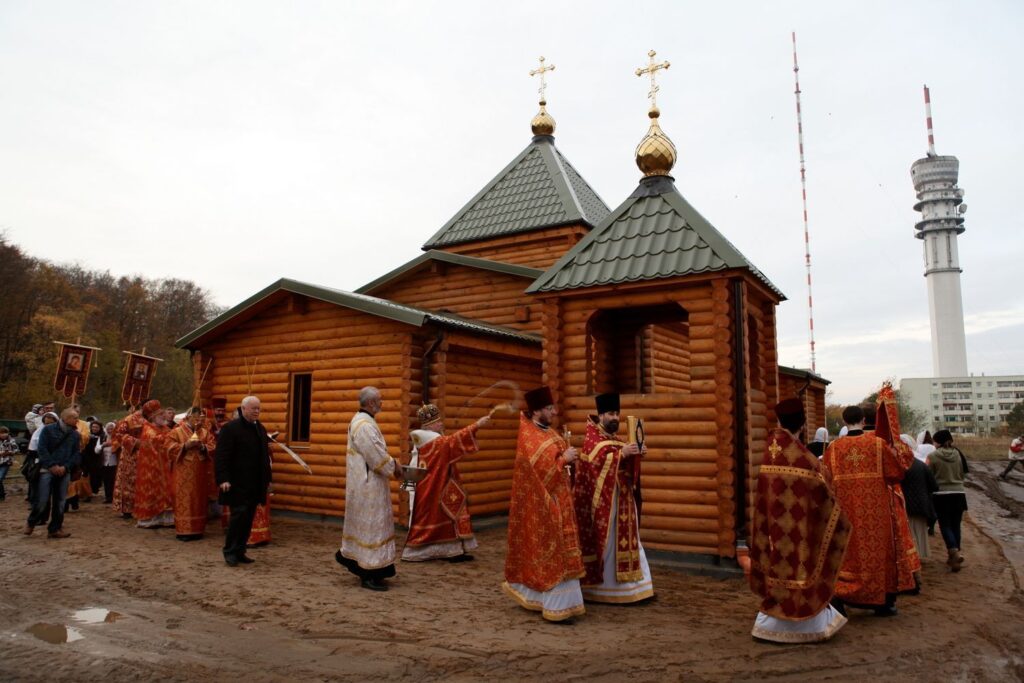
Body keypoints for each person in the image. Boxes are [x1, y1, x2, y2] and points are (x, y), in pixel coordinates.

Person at [749, 398, 850, 643]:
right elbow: (825, 490)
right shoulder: (805, 458)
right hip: (801, 529)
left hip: (773, 528)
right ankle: (807, 625)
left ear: (779, 421)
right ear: (803, 425)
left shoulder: (770, 452)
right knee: (802, 566)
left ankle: (768, 624)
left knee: (778, 565)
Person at [822, 404, 915, 617]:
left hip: (846, 513)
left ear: (844, 422)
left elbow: (826, 479)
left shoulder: (834, 448)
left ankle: (842, 596)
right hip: (876, 514)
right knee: (879, 554)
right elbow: (896, 474)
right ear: (863, 421)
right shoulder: (878, 444)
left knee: (849, 555)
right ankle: (883, 602)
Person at [503, 386, 586, 622]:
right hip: (542, 506)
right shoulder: (528, 437)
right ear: (537, 410)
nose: (554, 412)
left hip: (561, 501)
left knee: (564, 550)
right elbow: (538, 474)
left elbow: (559, 458)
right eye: (549, 408)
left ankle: (566, 603)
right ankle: (554, 607)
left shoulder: (550, 432)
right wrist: (563, 460)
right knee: (551, 552)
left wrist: (571, 459)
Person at [572, 392, 654, 604]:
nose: (615, 417)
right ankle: (608, 591)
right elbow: (595, 464)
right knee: (609, 545)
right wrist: (622, 454)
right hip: (606, 506)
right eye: (610, 413)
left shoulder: (614, 439)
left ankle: (639, 588)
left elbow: (624, 464)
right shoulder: (592, 440)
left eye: (617, 413)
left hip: (623, 499)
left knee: (632, 540)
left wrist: (636, 454)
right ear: (600, 415)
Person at [401, 403, 490, 562]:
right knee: (437, 516)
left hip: (440, 483)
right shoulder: (433, 442)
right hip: (432, 486)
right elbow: (452, 442)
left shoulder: (429, 441)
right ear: (429, 425)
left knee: (448, 514)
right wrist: (477, 425)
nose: (441, 424)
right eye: (437, 422)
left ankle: (453, 550)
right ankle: (423, 551)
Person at [335, 387, 402, 590]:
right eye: (379, 400)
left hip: (368, 483)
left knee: (371, 528)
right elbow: (376, 457)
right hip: (368, 486)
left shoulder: (363, 420)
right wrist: (394, 466)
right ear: (371, 403)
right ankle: (368, 574)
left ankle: (376, 571)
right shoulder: (364, 425)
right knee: (371, 529)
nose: (382, 403)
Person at [215, 396, 272, 567]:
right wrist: (223, 479)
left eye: (258, 408)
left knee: (248, 519)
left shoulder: (260, 429)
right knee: (238, 517)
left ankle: (240, 551)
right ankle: (230, 551)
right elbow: (221, 456)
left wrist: (267, 480)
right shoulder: (230, 428)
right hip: (236, 483)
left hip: (254, 484)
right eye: (253, 408)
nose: (257, 411)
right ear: (243, 409)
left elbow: (264, 458)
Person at [24, 408, 81, 538]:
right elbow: (42, 449)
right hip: (47, 470)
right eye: (74, 417)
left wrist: (65, 467)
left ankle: (55, 528)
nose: (77, 420)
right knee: (42, 500)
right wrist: (51, 465)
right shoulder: (48, 430)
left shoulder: (75, 435)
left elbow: (76, 454)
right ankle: (32, 521)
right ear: (65, 418)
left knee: (60, 501)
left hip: (64, 470)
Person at [165, 407, 217, 541]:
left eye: (200, 419)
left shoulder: (204, 432)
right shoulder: (176, 431)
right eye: (195, 418)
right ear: (188, 418)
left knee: (198, 500)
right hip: (182, 473)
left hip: (200, 473)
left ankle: (198, 530)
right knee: (185, 499)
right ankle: (184, 531)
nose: (197, 422)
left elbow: (213, 446)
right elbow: (168, 447)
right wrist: (185, 446)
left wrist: (202, 447)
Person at [929, 429, 968, 572]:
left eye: (934, 441)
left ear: (938, 442)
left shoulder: (933, 456)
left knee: (945, 525)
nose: (933, 444)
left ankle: (953, 551)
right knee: (956, 525)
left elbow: (929, 475)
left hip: (941, 495)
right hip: (959, 493)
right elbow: (964, 473)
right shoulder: (958, 453)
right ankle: (954, 559)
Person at [133, 400, 173, 528]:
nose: (164, 416)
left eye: (163, 413)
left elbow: (171, 437)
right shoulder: (148, 429)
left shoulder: (164, 427)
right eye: (160, 414)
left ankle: (164, 518)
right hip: (151, 468)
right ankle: (149, 519)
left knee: (166, 491)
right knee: (152, 492)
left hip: (164, 466)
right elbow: (157, 441)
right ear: (153, 417)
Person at [901, 442, 938, 564]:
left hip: (905, 503)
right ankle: (920, 554)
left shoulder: (900, 465)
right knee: (921, 530)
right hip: (922, 503)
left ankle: (911, 556)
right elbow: (934, 486)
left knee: (908, 531)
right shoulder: (922, 465)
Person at [111, 405, 147, 518]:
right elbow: (119, 435)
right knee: (129, 481)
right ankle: (127, 509)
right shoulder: (128, 419)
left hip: (148, 454)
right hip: (130, 454)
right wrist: (136, 442)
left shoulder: (152, 418)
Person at [24, 411, 59, 506]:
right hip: (39, 463)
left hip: (56, 464)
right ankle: (36, 505)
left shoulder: (60, 433)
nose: (48, 426)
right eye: (46, 423)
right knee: (37, 485)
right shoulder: (39, 433)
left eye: (51, 423)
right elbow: (33, 449)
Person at [96, 421, 118, 503]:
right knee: (106, 481)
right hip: (104, 463)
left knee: (114, 481)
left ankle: (114, 497)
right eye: (108, 429)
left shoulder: (117, 438)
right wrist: (103, 445)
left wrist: (112, 444)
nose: (110, 430)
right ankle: (108, 497)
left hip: (115, 463)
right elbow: (96, 450)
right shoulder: (102, 437)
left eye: (112, 429)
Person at [0, 426, 19, 501]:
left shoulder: (11, 440)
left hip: (6, 462)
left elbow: (16, 449)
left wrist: (9, 453)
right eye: (2, 433)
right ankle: (2, 494)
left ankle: (1, 495)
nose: (3, 434)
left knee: (0, 477)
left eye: (5, 433)